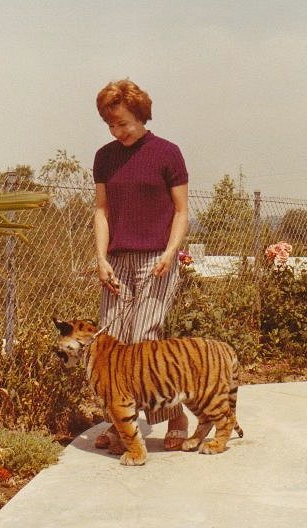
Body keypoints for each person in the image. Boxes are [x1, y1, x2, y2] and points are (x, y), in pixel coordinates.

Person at [93, 79, 189, 451]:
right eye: (111, 125)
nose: (119, 132)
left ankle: (174, 415)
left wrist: (170, 252)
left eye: (125, 124)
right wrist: (100, 258)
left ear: (141, 116)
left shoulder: (168, 153)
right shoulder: (104, 156)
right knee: (113, 346)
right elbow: (101, 211)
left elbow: (181, 211)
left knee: (144, 343)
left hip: (157, 260)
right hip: (116, 261)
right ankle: (121, 423)